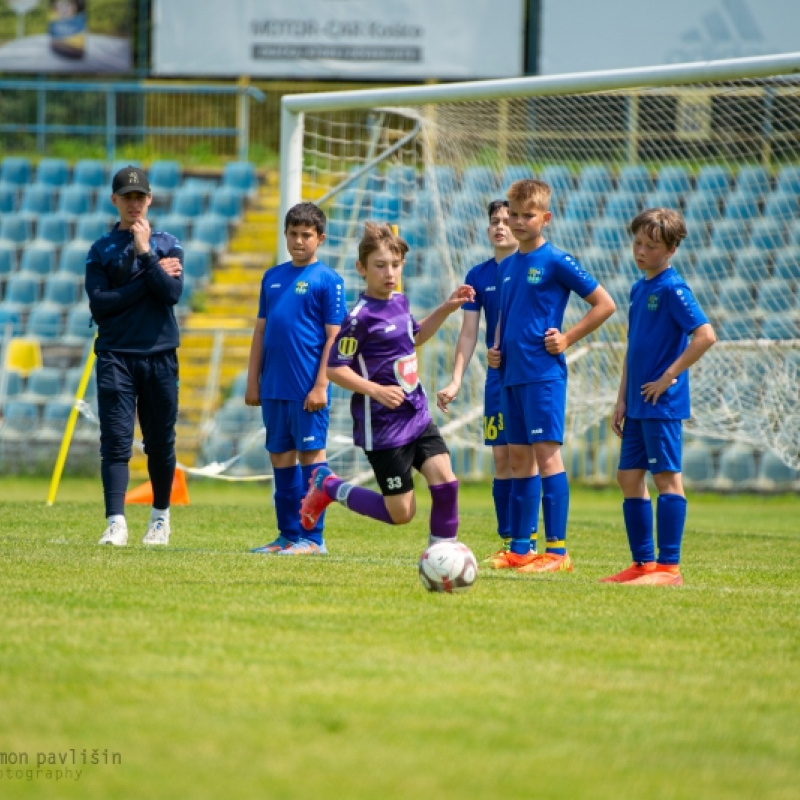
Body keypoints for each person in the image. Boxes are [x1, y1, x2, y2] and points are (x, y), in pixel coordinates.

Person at [299, 222, 475, 547]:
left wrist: (447, 308)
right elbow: (336, 369)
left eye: (395, 265)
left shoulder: (400, 301)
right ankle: (328, 485)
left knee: (447, 484)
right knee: (401, 513)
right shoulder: (358, 318)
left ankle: (441, 559)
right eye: (380, 266)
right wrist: (376, 390)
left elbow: (416, 335)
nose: (389, 273)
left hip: (416, 413)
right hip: (382, 427)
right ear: (361, 269)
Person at [487, 178, 616, 573]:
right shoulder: (508, 266)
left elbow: (604, 304)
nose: (519, 221)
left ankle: (557, 552)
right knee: (520, 458)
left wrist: (567, 338)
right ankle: (522, 549)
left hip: (543, 376)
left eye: (529, 215)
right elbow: (508, 319)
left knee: (547, 458)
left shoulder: (557, 260)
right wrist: (495, 349)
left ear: (546, 218)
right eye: (515, 213)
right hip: (511, 375)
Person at [602, 208, 716, 586]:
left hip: (660, 403)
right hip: (636, 403)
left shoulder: (673, 288)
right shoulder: (639, 287)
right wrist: (620, 400)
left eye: (651, 246)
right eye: (637, 243)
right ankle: (643, 565)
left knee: (667, 478)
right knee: (628, 476)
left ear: (670, 251)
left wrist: (667, 378)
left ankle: (670, 568)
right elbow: (633, 349)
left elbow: (705, 335)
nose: (640, 251)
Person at [86, 165, 184, 546]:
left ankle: (160, 519)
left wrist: (145, 254)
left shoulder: (167, 243)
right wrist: (151, 275)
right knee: (115, 440)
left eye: (140, 197)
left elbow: (171, 294)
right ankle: (116, 523)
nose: (134, 203)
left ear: (149, 199)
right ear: (115, 201)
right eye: (126, 197)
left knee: (160, 442)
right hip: (115, 355)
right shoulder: (101, 249)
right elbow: (101, 304)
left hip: (160, 355)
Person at [436, 199, 539, 560]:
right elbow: (468, 333)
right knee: (500, 458)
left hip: (526, 375)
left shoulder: (530, 268)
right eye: (494, 220)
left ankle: (528, 540)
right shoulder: (478, 276)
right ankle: (509, 540)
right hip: (495, 379)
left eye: (507, 220)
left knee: (523, 457)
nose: (501, 226)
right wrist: (456, 380)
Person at [245, 202, 345, 555]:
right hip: (274, 387)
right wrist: (252, 380)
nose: (299, 241)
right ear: (285, 235)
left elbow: (335, 338)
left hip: (307, 389)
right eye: (293, 234)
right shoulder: (272, 277)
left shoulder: (328, 281)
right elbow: (261, 331)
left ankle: (312, 539)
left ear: (320, 238)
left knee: (311, 462)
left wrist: (322, 384)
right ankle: (287, 535)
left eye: (306, 235)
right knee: (281, 459)